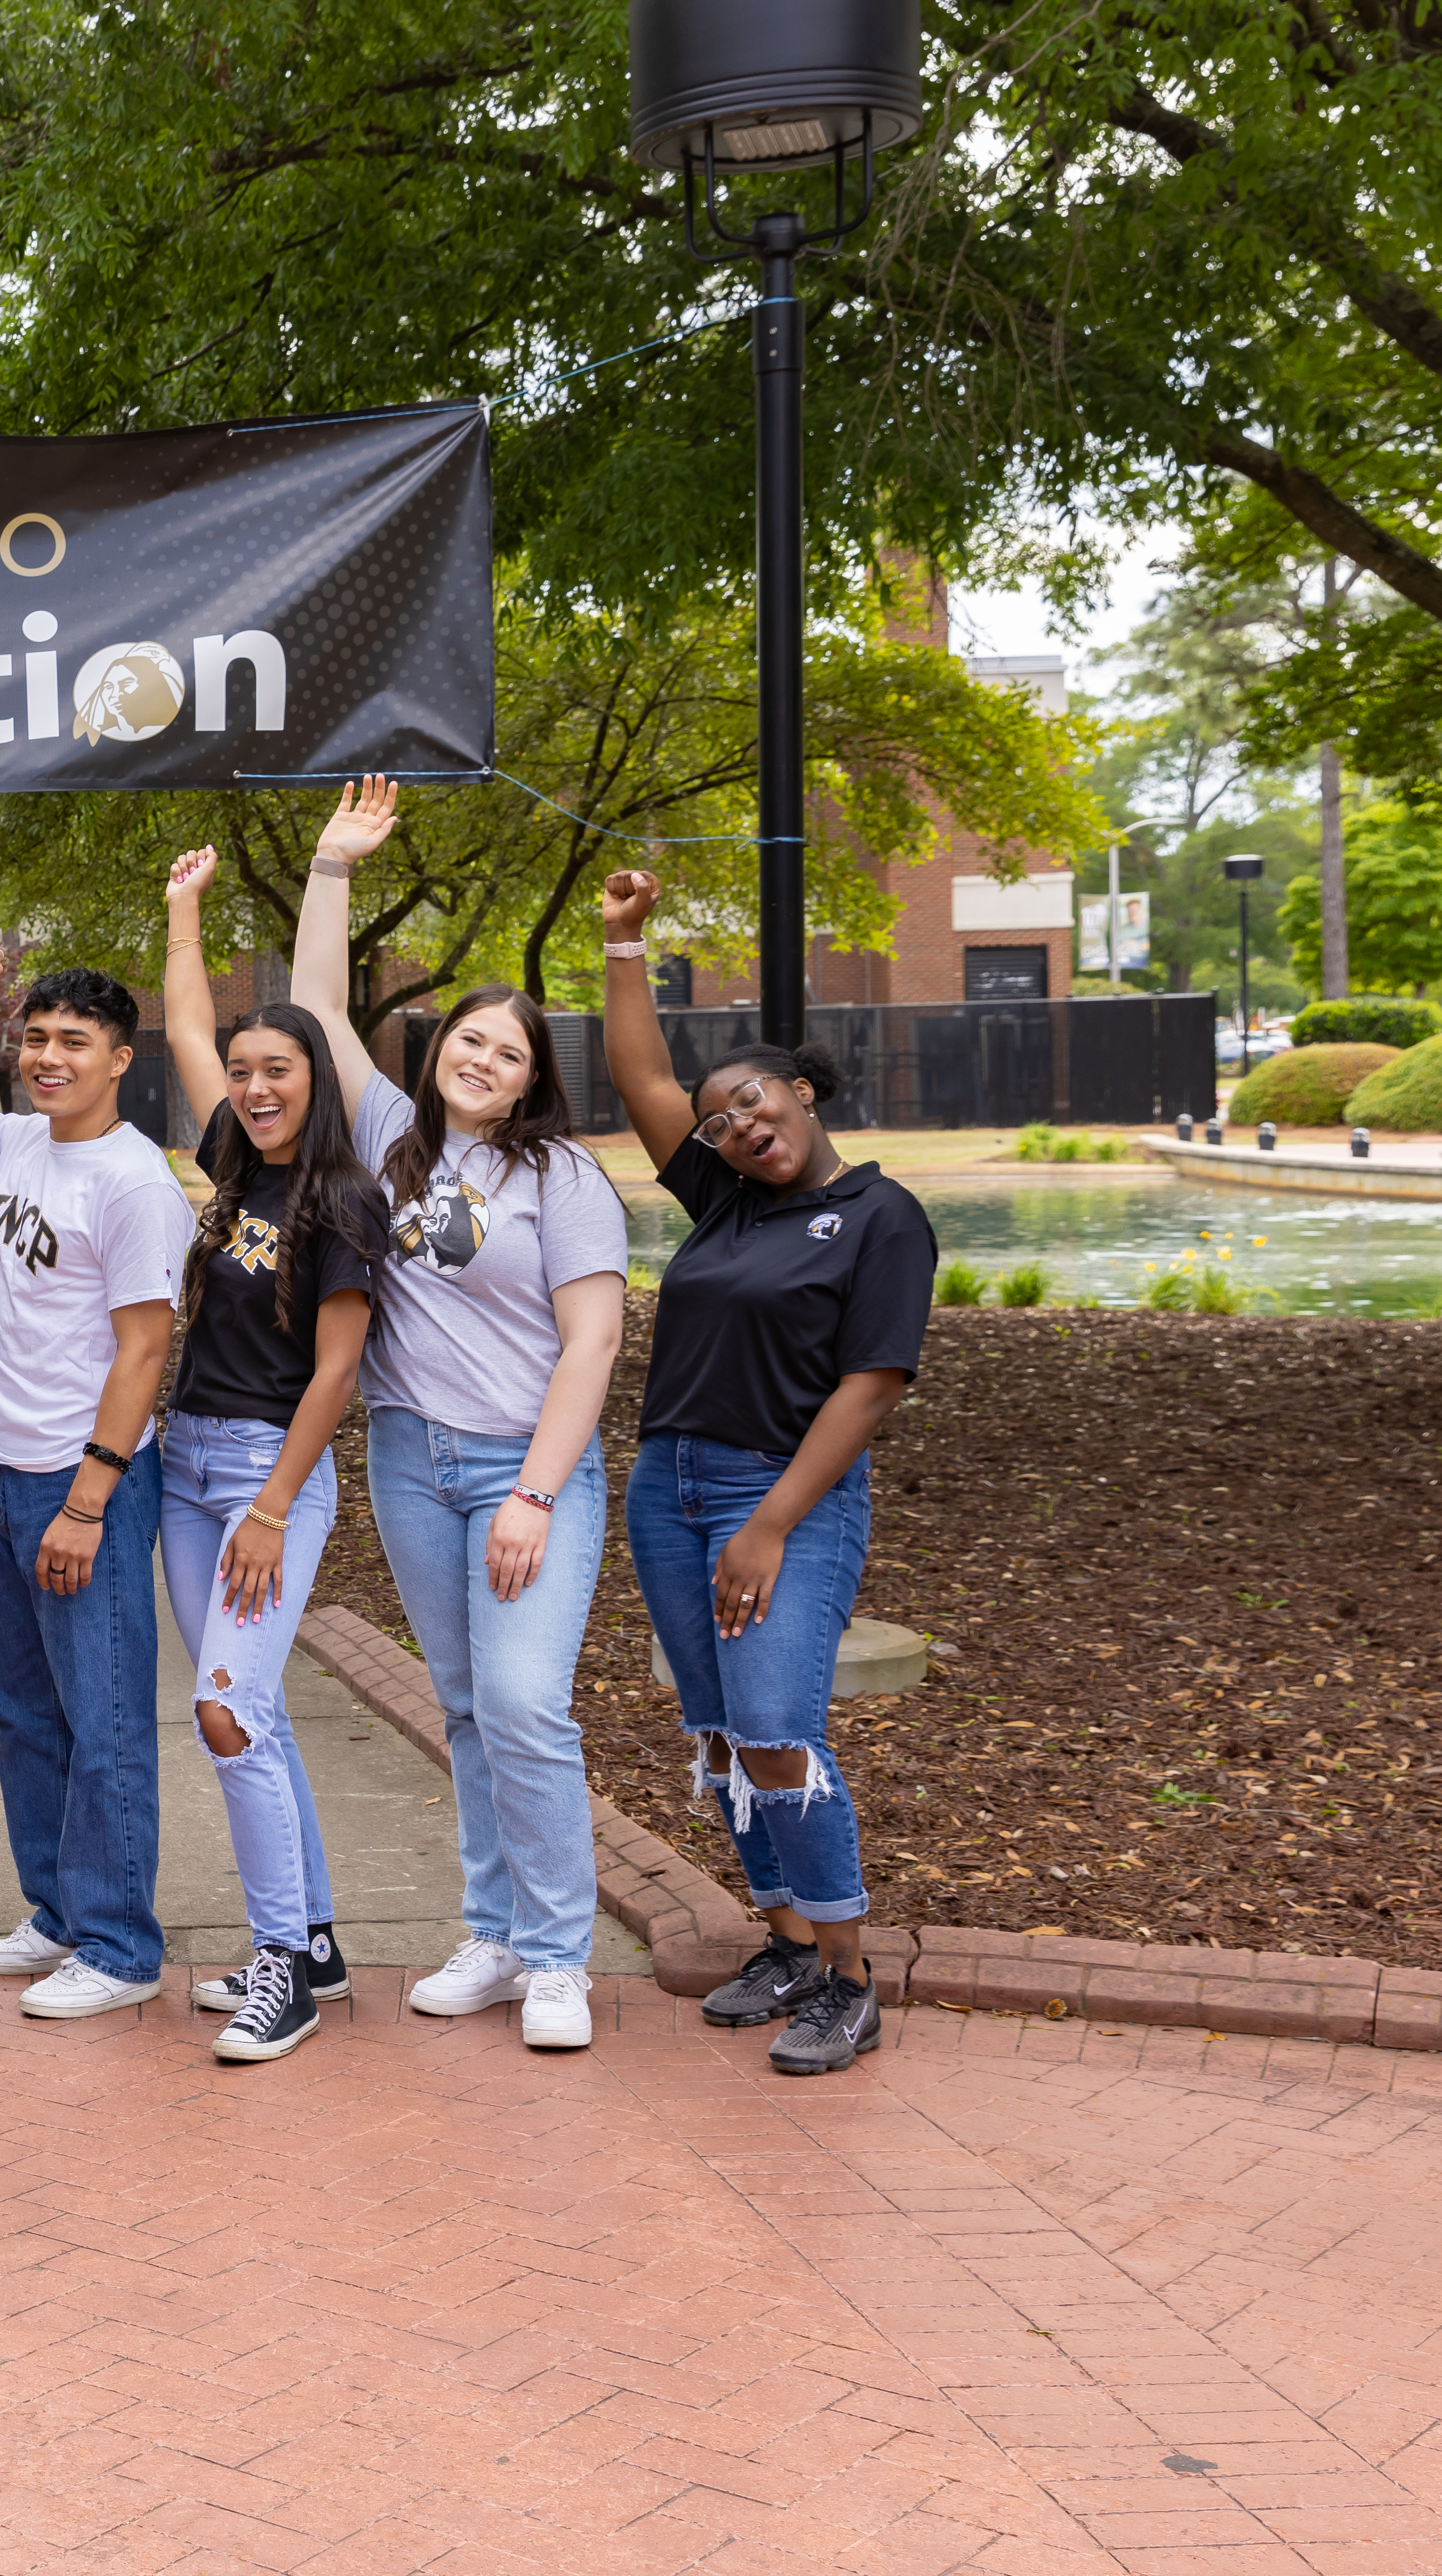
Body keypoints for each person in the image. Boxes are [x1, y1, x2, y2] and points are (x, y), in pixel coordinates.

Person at [290, 777, 631, 2053]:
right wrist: (334, 867)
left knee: (531, 1702)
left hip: (523, 1468)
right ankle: (493, 1933)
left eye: (510, 1053)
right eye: (469, 1041)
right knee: (472, 1709)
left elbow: (594, 1341)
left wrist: (537, 1493)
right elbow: (321, 1012)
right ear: (439, 1051)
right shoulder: (390, 1139)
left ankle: (559, 1957)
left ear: (534, 1078)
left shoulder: (563, 1177)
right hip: (411, 1466)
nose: (482, 1062)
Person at [600, 868, 933, 2078]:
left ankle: (849, 1975)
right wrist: (622, 946)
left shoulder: (879, 1215)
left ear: (800, 1088)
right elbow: (643, 1081)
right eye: (721, 1118)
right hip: (666, 1486)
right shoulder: (726, 1202)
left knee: (778, 1726)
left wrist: (773, 1524)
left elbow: (871, 1383)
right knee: (721, 1731)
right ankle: (785, 1938)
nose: (740, 1124)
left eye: (753, 1099)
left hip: (774, 1497)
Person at [0, 941, 194, 2021]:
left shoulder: (135, 1182)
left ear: (120, 1057)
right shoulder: (18, 1141)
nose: (49, 1056)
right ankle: (61, 1912)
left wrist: (87, 1498)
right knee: (23, 1708)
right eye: (37, 1037)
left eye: (75, 1041)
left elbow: (144, 1352)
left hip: (83, 1484)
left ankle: (120, 1946)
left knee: (103, 1713)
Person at [157, 850, 386, 2064]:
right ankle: (316, 1938)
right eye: (243, 1072)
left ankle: (279, 1970)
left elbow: (337, 1370)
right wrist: (184, 911)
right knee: (256, 1712)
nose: (251, 1085)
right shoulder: (237, 1166)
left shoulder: (342, 1199)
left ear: (315, 1081)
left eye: (276, 1069)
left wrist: (272, 1504)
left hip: (261, 1476)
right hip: (185, 1463)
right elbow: (186, 1021)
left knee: (226, 1709)